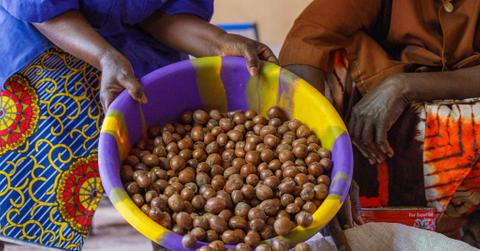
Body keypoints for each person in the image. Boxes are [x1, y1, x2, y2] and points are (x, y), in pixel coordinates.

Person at [0, 1, 277, 250]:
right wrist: (105, 57)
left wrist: (219, 42)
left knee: (167, 175)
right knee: (28, 182)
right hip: (47, 40)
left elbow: (162, 16)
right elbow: (42, 10)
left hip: (137, 52)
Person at [280, 0, 480, 249]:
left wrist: (404, 86)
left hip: (462, 113)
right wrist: (327, 158)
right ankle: (362, 221)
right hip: (370, 100)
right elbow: (306, 40)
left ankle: (457, 230)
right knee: (330, 62)